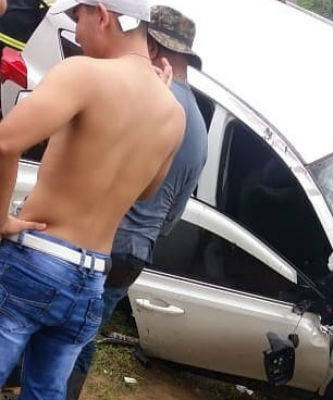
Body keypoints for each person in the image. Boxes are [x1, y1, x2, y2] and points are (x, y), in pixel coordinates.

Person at [0, 0, 185, 398]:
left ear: (102, 15)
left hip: (35, 263)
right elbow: (148, 190)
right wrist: (153, 102)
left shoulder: (83, 73)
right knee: (46, 392)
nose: (76, 33)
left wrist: (1, 218)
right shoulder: (173, 112)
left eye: (77, 18)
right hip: (91, 282)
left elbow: (5, 142)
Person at [65, 5, 207, 399]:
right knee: (83, 333)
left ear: (154, 43)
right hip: (135, 253)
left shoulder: (144, 98)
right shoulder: (196, 122)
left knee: (53, 328)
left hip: (100, 238)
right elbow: (173, 215)